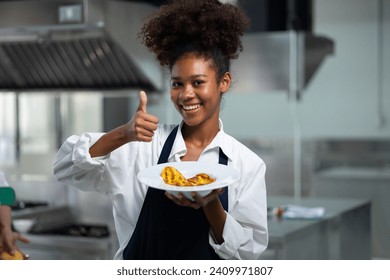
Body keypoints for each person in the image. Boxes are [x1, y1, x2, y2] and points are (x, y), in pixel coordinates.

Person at [53, 0, 268, 260]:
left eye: (198, 82)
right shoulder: (142, 146)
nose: (186, 94)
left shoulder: (247, 165)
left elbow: (248, 254)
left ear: (223, 82)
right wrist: (123, 134)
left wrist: (211, 205)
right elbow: (65, 168)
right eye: (177, 83)